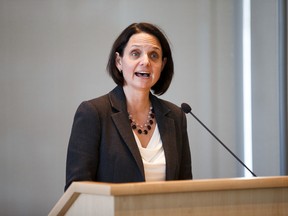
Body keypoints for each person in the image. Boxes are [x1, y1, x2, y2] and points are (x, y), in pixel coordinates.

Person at [65, 22, 192, 191]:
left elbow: (186, 188)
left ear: (162, 64)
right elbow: (77, 190)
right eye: (135, 53)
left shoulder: (175, 116)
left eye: (154, 55)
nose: (145, 62)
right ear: (119, 61)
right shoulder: (93, 113)